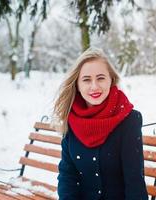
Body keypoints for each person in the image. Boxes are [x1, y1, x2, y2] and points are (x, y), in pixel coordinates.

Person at [53, 47, 148, 200]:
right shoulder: (71, 119)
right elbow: (67, 176)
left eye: (101, 78)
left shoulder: (129, 120)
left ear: (111, 79)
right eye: (86, 80)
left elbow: (134, 180)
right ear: (77, 84)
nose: (94, 86)